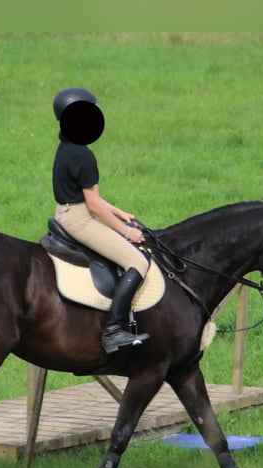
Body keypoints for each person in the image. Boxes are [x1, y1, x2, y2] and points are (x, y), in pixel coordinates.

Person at [51, 87, 150, 354]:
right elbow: (92, 205)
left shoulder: (66, 147)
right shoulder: (84, 155)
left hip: (66, 212)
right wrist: (126, 232)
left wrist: (119, 212)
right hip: (80, 220)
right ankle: (114, 331)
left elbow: (87, 197)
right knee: (138, 261)